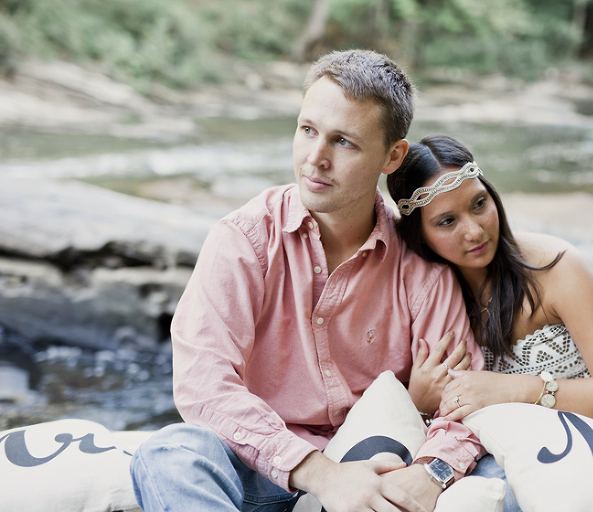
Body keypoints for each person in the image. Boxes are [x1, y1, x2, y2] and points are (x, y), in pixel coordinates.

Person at [130, 52, 486, 512]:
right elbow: (203, 385)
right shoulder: (245, 240)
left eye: (344, 142)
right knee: (167, 453)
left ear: (392, 156)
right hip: (260, 466)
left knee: (494, 475)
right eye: (307, 130)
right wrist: (321, 474)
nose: (315, 159)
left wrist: (430, 474)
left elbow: (465, 401)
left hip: (375, 464)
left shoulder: (420, 264)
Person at [388, 134, 593, 509]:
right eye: (447, 221)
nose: (475, 231)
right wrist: (418, 402)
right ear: (420, 235)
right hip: (492, 456)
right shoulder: (429, 298)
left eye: (479, 204)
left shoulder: (558, 269)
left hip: (584, 451)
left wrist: (515, 388)